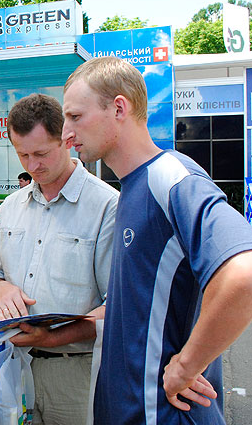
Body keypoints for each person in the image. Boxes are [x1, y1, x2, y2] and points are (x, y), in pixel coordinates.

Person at [62, 56, 252, 424]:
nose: (67, 133)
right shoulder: (131, 188)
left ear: (119, 108)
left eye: (75, 117)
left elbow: (242, 274)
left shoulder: (170, 177)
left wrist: (187, 364)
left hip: (162, 414)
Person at [0, 93, 118, 424]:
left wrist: (53, 337)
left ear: (67, 140)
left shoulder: (107, 207)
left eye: (41, 153)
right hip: (14, 367)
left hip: (75, 374)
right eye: (22, 155)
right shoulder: (11, 206)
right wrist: (1, 290)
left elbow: (118, 306)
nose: (32, 166)